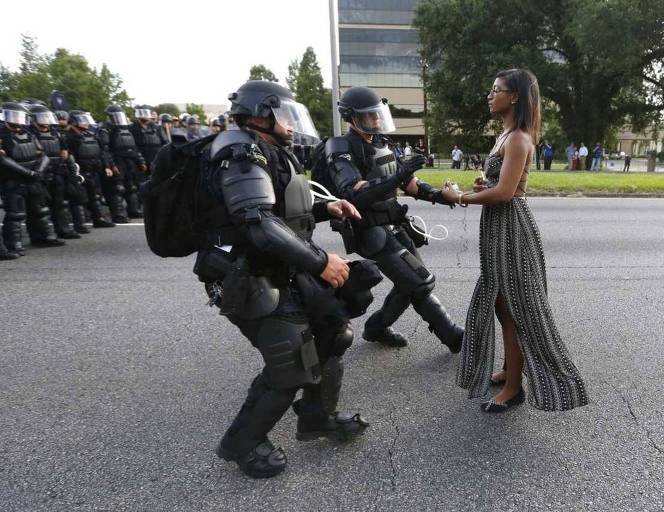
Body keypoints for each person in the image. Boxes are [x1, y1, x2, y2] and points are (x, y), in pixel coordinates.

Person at [187, 80, 371, 478]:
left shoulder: (266, 149)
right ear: (259, 114)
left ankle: (316, 416)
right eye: (283, 114)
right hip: (247, 275)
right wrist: (321, 262)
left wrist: (327, 208)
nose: (290, 123)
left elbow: (281, 209)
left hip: (281, 268)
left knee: (333, 332)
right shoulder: (239, 151)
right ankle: (242, 442)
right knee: (291, 361)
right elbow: (257, 223)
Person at [441, 69, 589, 413]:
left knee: (515, 309)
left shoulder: (519, 137)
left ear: (515, 97)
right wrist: (483, 187)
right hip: (498, 226)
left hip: (511, 229)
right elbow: (499, 186)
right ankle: (510, 369)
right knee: (500, 303)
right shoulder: (505, 135)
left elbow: (507, 193)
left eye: (497, 90)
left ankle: (514, 388)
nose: (490, 95)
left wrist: (459, 196)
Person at [324, 86, 464, 352]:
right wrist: (397, 177)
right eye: (369, 116)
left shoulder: (383, 144)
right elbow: (354, 194)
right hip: (370, 230)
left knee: (409, 283)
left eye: (378, 115)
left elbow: (410, 183)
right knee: (420, 282)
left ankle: (376, 328)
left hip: (394, 224)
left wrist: (440, 196)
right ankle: (454, 337)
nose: (376, 120)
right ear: (352, 118)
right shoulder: (340, 147)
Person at [0, 102, 65, 254]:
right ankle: (13, 244)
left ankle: (44, 237)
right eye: (14, 115)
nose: (17, 120)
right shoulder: (2, 135)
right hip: (13, 179)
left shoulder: (29, 133)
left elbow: (42, 154)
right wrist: (28, 173)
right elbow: (3, 160)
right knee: (16, 214)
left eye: (19, 116)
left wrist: (39, 171)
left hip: (33, 178)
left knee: (40, 209)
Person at [28, 104, 81, 239]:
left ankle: (63, 230)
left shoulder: (55, 132)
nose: (45, 120)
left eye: (46, 117)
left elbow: (64, 151)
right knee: (39, 207)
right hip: (39, 173)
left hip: (57, 171)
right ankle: (40, 236)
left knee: (59, 203)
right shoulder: (30, 134)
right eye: (42, 117)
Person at [67, 111, 116, 229]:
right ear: (74, 121)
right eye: (82, 120)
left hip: (93, 170)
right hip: (80, 171)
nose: (85, 123)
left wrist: (106, 166)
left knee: (95, 197)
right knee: (79, 199)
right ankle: (80, 224)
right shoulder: (70, 136)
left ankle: (98, 219)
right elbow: (69, 156)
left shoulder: (90, 134)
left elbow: (102, 152)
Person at [97, 105, 146, 220]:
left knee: (132, 187)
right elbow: (105, 149)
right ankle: (118, 214)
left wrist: (140, 161)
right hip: (117, 160)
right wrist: (111, 165)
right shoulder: (105, 129)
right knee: (117, 188)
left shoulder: (127, 129)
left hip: (130, 160)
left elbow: (134, 147)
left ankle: (133, 210)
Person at [130, 106, 163, 173]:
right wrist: (140, 161)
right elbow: (133, 146)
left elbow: (164, 143)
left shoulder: (157, 128)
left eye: (146, 113)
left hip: (156, 160)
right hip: (141, 160)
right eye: (142, 114)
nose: (145, 116)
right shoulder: (132, 128)